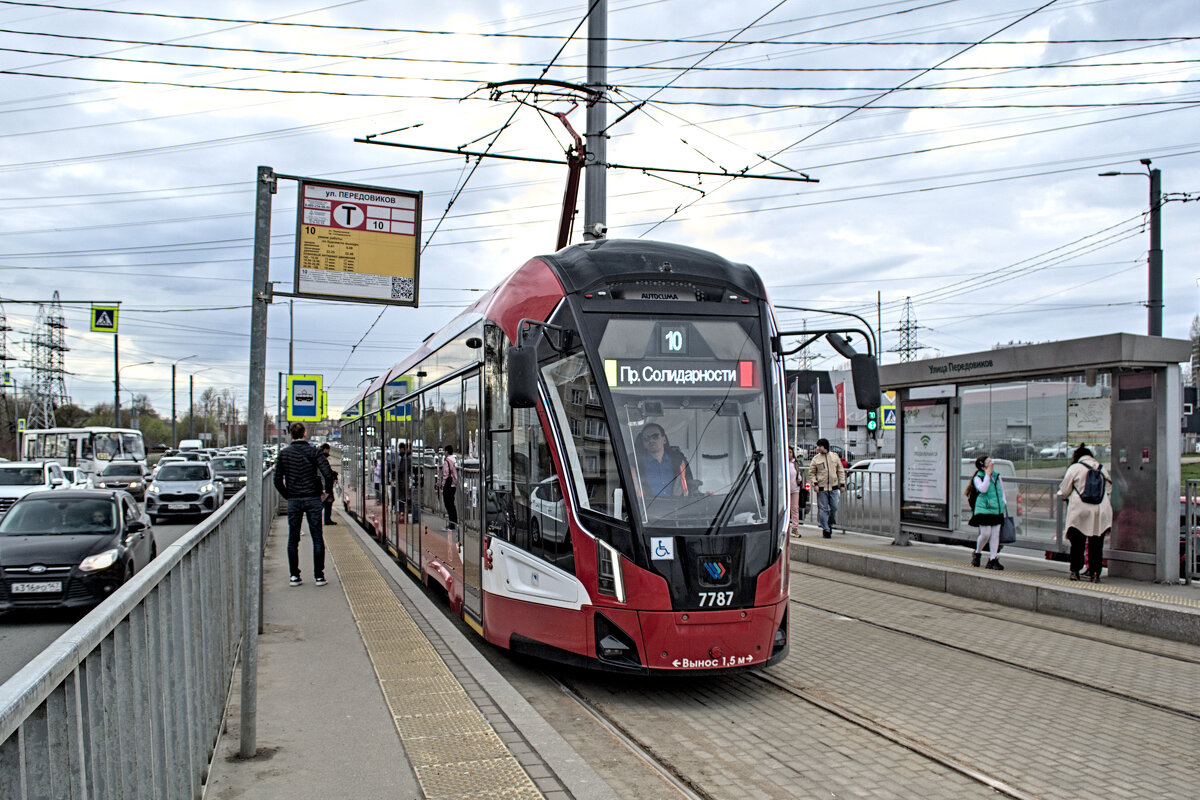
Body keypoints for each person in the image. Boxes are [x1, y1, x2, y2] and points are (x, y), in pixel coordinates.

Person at [274, 422, 335, 587]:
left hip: (294, 500)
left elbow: (277, 480)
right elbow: (328, 474)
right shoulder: (314, 452)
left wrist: (287, 495)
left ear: (290, 435)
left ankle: (294, 576)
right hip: (313, 498)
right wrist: (327, 492)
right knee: (317, 538)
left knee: (293, 539)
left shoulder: (284, 454)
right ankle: (319, 576)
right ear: (305, 433)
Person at [1057, 443, 1113, 582]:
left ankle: (1075, 571)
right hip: (1101, 510)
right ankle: (1095, 574)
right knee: (1096, 544)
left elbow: (1064, 490)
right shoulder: (1101, 468)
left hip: (1080, 510)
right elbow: (1108, 489)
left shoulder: (1075, 468)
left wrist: (1065, 496)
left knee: (1077, 543)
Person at [968, 455, 1007, 570]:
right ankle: (977, 553)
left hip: (996, 509)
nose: (992, 463)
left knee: (995, 534)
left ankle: (993, 559)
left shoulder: (997, 476)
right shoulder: (978, 477)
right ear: (983, 467)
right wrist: (987, 476)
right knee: (986, 534)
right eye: (989, 462)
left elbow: (1002, 491)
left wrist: (1003, 503)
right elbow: (983, 489)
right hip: (984, 509)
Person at [636, 423, 695, 498]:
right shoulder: (634, 463)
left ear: (664, 439)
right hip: (645, 505)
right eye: (646, 438)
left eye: (655, 437)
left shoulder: (679, 460)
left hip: (677, 505)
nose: (651, 440)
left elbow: (690, 486)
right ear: (643, 443)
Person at [808, 439, 845, 538]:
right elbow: (811, 473)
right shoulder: (816, 459)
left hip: (834, 487)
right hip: (822, 488)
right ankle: (826, 529)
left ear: (825, 447)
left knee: (834, 507)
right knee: (823, 509)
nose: (818, 448)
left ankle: (830, 523)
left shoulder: (834, 456)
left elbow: (840, 470)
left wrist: (842, 484)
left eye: (820, 446)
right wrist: (815, 484)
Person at [319, 443, 338, 526]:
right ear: (325, 449)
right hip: (325, 485)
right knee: (325, 502)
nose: (329, 452)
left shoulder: (320, 457)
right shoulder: (322, 458)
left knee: (327, 502)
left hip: (324, 485)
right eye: (328, 450)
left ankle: (327, 519)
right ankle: (326, 520)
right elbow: (326, 473)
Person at [441, 444, 458, 528]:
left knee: (448, 503)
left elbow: (445, 474)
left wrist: (442, 485)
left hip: (448, 485)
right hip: (453, 484)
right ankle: (454, 522)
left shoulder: (447, 461)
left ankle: (452, 523)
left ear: (447, 451)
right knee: (452, 504)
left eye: (445, 451)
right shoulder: (454, 460)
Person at [787, 447, 802, 536]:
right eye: (787, 452)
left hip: (795, 489)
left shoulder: (795, 463)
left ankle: (794, 528)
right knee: (786, 508)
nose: (789, 454)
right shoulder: (784, 463)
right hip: (785, 490)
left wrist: (799, 479)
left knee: (795, 508)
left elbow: (798, 474)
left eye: (790, 452)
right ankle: (785, 527)